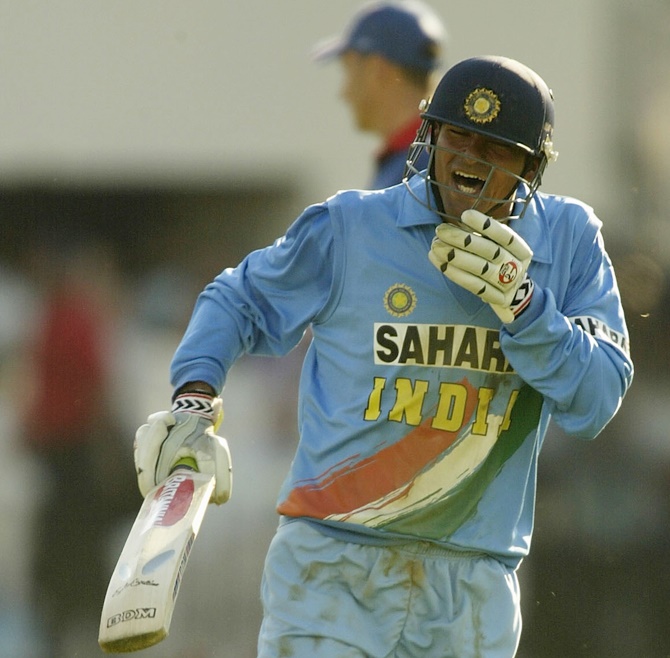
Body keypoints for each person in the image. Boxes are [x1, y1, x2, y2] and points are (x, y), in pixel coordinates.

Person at [134, 56, 634, 657]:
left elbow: (598, 399)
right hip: (334, 562)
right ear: (430, 137)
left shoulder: (569, 239)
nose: (470, 159)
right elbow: (238, 299)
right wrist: (194, 396)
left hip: (472, 581)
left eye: (497, 149)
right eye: (459, 136)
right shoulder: (353, 227)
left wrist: (527, 308)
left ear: (532, 167)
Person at [313, 0, 447, 189]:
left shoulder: (422, 167)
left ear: (377, 70)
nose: (344, 93)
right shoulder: (434, 157)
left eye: (349, 72)